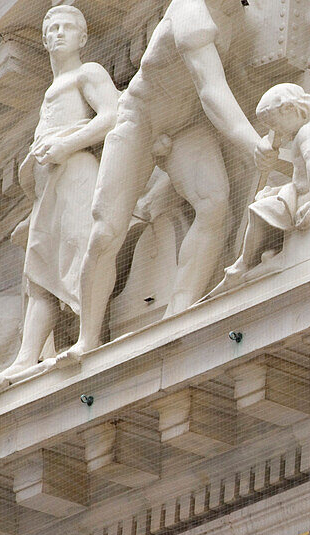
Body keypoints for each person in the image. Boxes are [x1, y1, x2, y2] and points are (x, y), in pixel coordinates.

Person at [57, 0, 277, 366]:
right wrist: (253, 144)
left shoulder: (237, 18)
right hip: (140, 119)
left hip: (186, 123)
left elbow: (227, 83)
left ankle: (180, 311)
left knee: (215, 203)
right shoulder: (191, 10)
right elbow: (212, 89)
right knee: (106, 232)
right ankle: (87, 339)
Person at [0, 5, 119, 392]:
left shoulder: (87, 73)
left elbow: (112, 115)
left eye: (67, 28)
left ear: (83, 38)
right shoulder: (51, 90)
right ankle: (25, 359)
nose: (59, 34)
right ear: (44, 40)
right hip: (48, 190)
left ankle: (88, 337)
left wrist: (65, 146)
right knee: (38, 275)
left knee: (82, 252)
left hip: (76, 173)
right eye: (52, 29)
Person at [214, 83, 310, 292]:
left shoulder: (306, 133)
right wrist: (277, 191)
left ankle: (243, 264)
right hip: (304, 190)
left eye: (277, 125)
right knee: (269, 201)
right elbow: (301, 173)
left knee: (257, 210)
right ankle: (271, 252)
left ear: (290, 109)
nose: (277, 132)